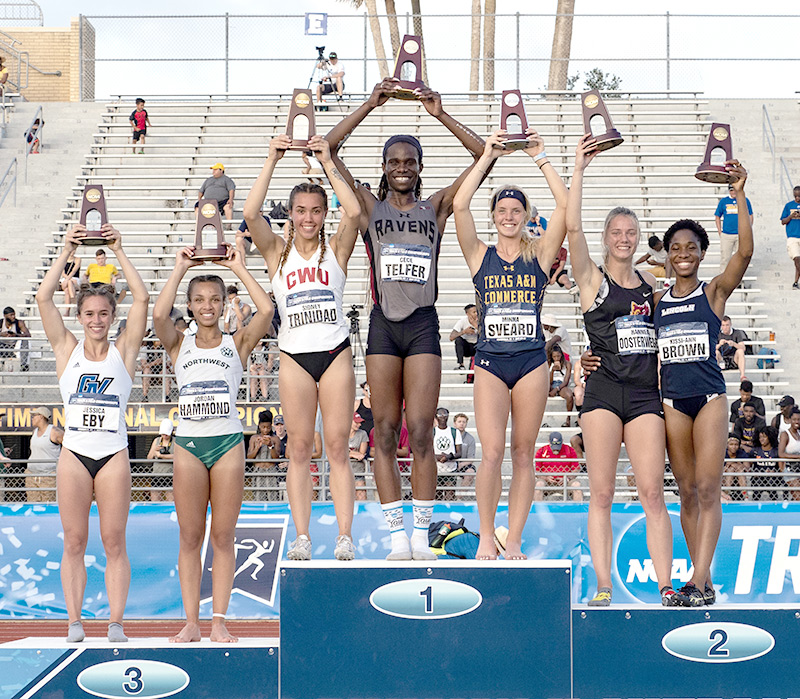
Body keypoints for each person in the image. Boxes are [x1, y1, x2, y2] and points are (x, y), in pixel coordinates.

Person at [325, 78, 486, 560]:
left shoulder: (434, 207)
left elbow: (484, 155)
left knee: (420, 431)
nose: (401, 168)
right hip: (381, 326)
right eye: (393, 161)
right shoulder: (370, 209)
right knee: (384, 430)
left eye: (409, 162)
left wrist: (439, 113)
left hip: (422, 325)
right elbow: (329, 150)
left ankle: (421, 533)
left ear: (419, 168)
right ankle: (397, 537)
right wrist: (370, 104)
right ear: (384, 167)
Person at [567, 133, 675, 607]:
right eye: (616, 232)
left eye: (631, 233)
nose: (624, 239)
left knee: (653, 492)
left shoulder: (652, 286)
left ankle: (667, 584)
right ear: (607, 236)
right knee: (603, 494)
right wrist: (579, 170)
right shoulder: (593, 278)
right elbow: (572, 232)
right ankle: (605, 585)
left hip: (646, 397)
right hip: (605, 392)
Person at [244, 133, 361, 561]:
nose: (308, 218)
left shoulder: (336, 250)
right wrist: (273, 158)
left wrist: (326, 159)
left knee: (337, 449)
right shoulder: (277, 252)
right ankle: (303, 535)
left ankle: (344, 536)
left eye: (315, 211)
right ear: (290, 215)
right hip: (294, 355)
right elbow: (250, 212)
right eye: (300, 211)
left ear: (323, 214)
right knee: (297, 448)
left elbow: (354, 211)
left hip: (334, 354)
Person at [453, 128, 568, 559]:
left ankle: (513, 538)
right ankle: (486, 535)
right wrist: (488, 155)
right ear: (494, 215)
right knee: (492, 453)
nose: (508, 216)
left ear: (524, 215)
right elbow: (460, 204)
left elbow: (563, 207)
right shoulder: (479, 255)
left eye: (515, 210)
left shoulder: (538, 255)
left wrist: (540, 157)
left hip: (530, 363)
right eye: (501, 210)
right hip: (490, 362)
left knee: (523, 454)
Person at [153, 244, 273, 644]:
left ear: (224, 304)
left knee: (223, 536)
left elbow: (267, 311)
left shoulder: (236, 344)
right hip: (188, 444)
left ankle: (219, 619)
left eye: (215, 300)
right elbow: (157, 316)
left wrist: (238, 267)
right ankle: (191, 621)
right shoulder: (178, 343)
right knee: (190, 537)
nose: (207, 306)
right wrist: (179, 268)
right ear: (189, 305)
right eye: (199, 300)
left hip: (227, 444)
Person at [36, 222, 149, 643]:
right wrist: (67, 246)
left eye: (103, 314)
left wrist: (118, 250)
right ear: (80, 317)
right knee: (74, 541)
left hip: (113, 455)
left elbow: (142, 298)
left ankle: (116, 623)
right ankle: (74, 622)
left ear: (111, 317)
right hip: (75, 456)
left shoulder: (124, 352)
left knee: (114, 540)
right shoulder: (67, 350)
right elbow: (43, 298)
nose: (97, 320)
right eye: (89, 314)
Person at [654, 158, 752, 607]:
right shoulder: (655, 302)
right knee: (687, 493)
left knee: (710, 489)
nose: (683, 253)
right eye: (676, 247)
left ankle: (698, 578)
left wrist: (738, 196)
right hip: (673, 402)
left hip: (710, 398)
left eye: (691, 246)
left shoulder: (712, 292)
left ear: (701, 251)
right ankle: (701, 580)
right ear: (667, 254)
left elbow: (745, 254)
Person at [26, 406, 63, 503]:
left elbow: (69, 446)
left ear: (41, 417)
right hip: (32, 475)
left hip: (48, 476)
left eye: (34, 416)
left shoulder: (55, 432)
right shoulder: (34, 432)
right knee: (32, 503)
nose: (32, 418)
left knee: (48, 503)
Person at [715, 184, 753, 272]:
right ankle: (723, 280)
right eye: (731, 190)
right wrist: (720, 231)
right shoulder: (724, 201)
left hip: (740, 234)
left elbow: (750, 215)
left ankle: (739, 281)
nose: (733, 192)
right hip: (727, 234)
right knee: (725, 258)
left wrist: (748, 230)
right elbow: (717, 216)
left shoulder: (744, 200)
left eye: (734, 190)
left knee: (741, 259)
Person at [534, 432, 582, 502]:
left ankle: (578, 510)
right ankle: (538, 510)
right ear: (549, 442)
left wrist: (567, 478)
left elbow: (576, 469)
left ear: (562, 441)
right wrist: (546, 478)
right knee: (539, 484)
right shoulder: (542, 451)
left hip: (565, 481)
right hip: (547, 482)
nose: (556, 449)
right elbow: (537, 471)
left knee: (576, 485)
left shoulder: (570, 450)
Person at [247, 411, 279, 501]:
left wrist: (270, 445)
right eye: (263, 427)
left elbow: (276, 457)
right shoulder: (254, 438)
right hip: (258, 471)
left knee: (273, 499)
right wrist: (257, 447)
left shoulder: (275, 439)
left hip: (271, 471)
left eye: (268, 427)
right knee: (258, 498)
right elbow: (249, 457)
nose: (265, 430)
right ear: (259, 425)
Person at [432, 407, 462, 501]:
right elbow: (428, 451)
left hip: (451, 469)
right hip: (437, 470)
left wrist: (448, 456)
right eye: (440, 415)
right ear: (436, 417)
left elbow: (459, 452)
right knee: (436, 497)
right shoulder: (432, 432)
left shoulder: (454, 432)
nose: (443, 417)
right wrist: (438, 457)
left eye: (445, 415)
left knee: (450, 497)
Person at [751, 426, 781, 502]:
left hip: (773, 478)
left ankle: (775, 504)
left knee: (771, 482)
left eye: (764, 437)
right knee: (757, 484)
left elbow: (780, 468)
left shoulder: (776, 451)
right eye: (760, 437)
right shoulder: (755, 451)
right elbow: (748, 465)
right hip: (758, 478)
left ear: (770, 437)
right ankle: (755, 505)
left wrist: (774, 472)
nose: (762, 439)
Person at [147, 418, 174, 502]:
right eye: (163, 434)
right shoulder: (156, 441)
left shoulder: (175, 441)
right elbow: (149, 458)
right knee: (155, 499)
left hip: (170, 474)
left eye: (166, 434)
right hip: (156, 474)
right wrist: (155, 450)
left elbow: (177, 456)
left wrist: (162, 456)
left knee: (170, 499)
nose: (164, 436)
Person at [548, 344, 574, 427]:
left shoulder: (567, 364)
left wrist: (556, 389)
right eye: (554, 357)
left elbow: (566, 381)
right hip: (551, 384)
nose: (556, 358)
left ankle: (568, 418)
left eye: (558, 356)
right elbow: (549, 381)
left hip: (562, 385)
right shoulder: (549, 364)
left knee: (569, 395)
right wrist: (552, 371)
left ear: (561, 355)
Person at [716, 315, 748, 381]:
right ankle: (715, 376)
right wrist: (719, 344)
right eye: (723, 325)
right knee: (716, 352)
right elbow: (711, 349)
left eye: (727, 325)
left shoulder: (737, 333)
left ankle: (742, 376)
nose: (725, 328)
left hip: (734, 359)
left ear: (730, 325)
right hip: (722, 359)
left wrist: (734, 344)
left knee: (740, 351)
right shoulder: (717, 334)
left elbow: (743, 348)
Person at [779, 407, 800, 500]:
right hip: (790, 470)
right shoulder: (785, 434)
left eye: (799, 419)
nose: (797, 421)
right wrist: (797, 457)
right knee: (798, 497)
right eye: (794, 419)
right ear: (790, 420)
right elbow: (781, 453)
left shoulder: (799, 433)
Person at [449, 304, 478, 370]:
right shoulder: (462, 321)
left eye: (477, 311)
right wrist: (464, 332)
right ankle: (461, 365)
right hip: (466, 347)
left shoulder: (481, 320)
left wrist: (476, 326)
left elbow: (486, 336)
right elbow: (451, 337)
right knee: (458, 340)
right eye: (474, 312)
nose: (476, 314)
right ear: (467, 314)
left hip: (477, 346)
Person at [781, 186, 800, 289]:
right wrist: (791, 216)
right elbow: (783, 221)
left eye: (799, 196)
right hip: (792, 237)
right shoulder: (789, 206)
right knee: (797, 259)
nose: (797, 198)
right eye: (795, 196)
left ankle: (796, 282)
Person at [1, 306, 30, 371]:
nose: (13, 317)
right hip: (3, 346)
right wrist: (2, 334)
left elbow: (28, 335)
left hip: (15, 347)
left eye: (14, 315)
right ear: (5, 316)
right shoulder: (1, 323)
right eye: (11, 315)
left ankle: (23, 365)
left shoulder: (19, 323)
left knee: (25, 341)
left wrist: (15, 335)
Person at [453, 413, 476, 492]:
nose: (461, 424)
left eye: (464, 422)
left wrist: (461, 464)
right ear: (455, 424)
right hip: (449, 462)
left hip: (463, 464)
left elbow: (471, 459)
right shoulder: (450, 435)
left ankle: (460, 497)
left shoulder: (470, 439)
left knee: (470, 472)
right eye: (459, 422)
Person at [349, 413, 370, 501]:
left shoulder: (362, 434)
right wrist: (353, 454)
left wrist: (348, 452)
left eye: (360, 422)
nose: (359, 425)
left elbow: (362, 453)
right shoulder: (342, 433)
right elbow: (338, 451)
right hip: (344, 469)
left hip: (358, 470)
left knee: (361, 497)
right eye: (356, 422)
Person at [722, 433, 749, 502]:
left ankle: (745, 495)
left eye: (736, 444)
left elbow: (747, 468)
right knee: (730, 470)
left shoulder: (742, 453)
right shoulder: (723, 454)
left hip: (738, 479)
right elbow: (720, 470)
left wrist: (733, 464)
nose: (734, 447)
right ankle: (727, 493)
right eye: (731, 444)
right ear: (727, 445)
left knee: (739, 469)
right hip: (725, 479)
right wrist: (736, 464)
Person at [60, 248, 81, 316]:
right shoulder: (63, 260)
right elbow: (62, 272)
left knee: (67, 290)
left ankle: (67, 311)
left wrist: (68, 279)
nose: (72, 252)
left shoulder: (77, 259)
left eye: (74, 250)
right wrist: (67, 279)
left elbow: (74, 270)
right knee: (69, 283)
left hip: (74, 279)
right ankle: (73, 299)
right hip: (66, 279)